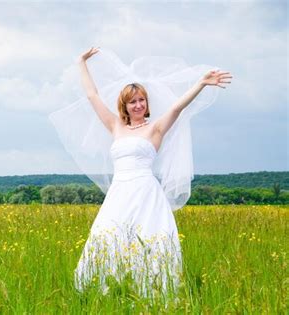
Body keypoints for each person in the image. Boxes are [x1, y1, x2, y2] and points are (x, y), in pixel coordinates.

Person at [48, 47, 232, 298]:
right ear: (124, 105)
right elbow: (92, 96)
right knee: (108, 238)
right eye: (132, 101)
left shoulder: (155, 129)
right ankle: (107, 293)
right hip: (119, 194)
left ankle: (150, 293)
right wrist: (81, 62)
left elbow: (177, 108)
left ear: (146, 103)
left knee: (149, 240)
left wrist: (201, 83)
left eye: (141, 100)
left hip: (146, 194)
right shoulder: (115, 126)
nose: (137, 105)